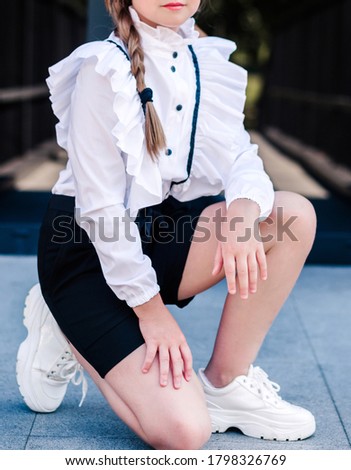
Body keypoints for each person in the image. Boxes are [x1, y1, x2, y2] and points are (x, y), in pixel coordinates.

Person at [16, 0, 317, 450]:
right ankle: (63, 318)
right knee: (184, 432)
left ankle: (225, 383)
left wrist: (241, 210)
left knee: (291, 215)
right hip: (89, 251)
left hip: (159, 230)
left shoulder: (206, 57)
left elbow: (241, 157)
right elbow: (102, 214)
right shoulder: (103, 69)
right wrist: (152, 313)